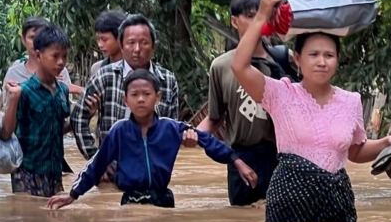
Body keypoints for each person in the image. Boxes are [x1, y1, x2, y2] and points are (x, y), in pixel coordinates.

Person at [231, 0, 391, 222]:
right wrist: (262, 15)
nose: (321, 61)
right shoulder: (280, 93)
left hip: (337, 203)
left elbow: (355, 151)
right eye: (313, 54)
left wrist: (385, 143)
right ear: (297, 59)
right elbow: (239, 66)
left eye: (329, 55)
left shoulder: (351, 101)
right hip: (289, 201)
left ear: (338, 60)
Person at [48, 70, 251, 209]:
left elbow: (209, 141)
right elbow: (97, 164)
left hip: (163, 199)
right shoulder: (119, 131)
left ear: (158, 97)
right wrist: (73, 194)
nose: (141, 99)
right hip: (130, 201)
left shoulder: (170, 128)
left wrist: (236, 160)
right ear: (125, 100)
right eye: (135, 94)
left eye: (147, 94)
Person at [198, 0, 287, 207]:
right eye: (250, 16)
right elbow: (215, 117)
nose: (257, 21)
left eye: (261, 14)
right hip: (241, 160)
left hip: (280, 158)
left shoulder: (286, 60)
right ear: (234, 22)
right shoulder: (221, 66)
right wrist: (188, 136)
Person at [71, 14, 179, 182]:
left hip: (151, 173)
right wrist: (96, 160)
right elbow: (78, 118)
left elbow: (171, 129)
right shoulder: (105, 76)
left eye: (143, 43)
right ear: (121, 46)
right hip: (111, 174)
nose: (137, 49)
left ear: (154, 47)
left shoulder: (167, 80)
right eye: (131, 43)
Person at [1, 24, 72, 197]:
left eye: (64, 56)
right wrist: (14, 100)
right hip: (27, 173)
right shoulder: (23, 91)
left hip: (54, 173)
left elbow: (57, 130)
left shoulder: (63, 90)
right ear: (39, 55)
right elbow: (5, 133)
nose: (61, 62)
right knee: (29, 220)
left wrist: (81, 118)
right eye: (55, 56)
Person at [0, 16, 83, 111]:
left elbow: (65, 112)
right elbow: (7, 111)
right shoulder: (14, 72)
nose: (36, 42)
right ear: (23, 40)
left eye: (41, 37)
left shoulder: (60, 70)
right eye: (32, 37)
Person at [90, 10, 127, 79]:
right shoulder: (97, 68)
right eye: (98, 39)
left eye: (104, 40)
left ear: (120, 38)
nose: (100, 45)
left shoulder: (134, 68)